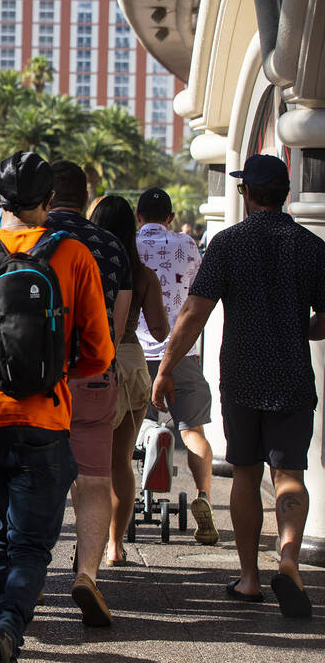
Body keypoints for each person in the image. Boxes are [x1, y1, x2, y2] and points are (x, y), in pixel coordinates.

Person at [0, 152, 113, 662]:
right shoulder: (74, 256)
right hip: (48, 417)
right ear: (49, 202)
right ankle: (7, 630)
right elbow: (99, 353)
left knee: (0, 534)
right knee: (32, 544)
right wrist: (53, 370)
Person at [154, 155, 324, 618]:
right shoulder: (311, 247)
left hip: (243, 377)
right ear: (285, 194)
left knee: (246, 475)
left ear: (247, 193)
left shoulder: (229, 244)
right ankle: (288, 557)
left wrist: (167, 367)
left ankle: (249, 579)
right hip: (292, 376)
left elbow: (194, 312)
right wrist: (301, 328)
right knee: (290, 475)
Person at [43, 160, 132, 627]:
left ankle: (32, 574)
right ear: (86, 193)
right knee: (95, 480)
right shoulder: (112, 245)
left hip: (39, 381)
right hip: (96, 375)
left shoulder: (31, 237)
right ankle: (87, 575)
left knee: (37, 476)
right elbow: (117, 324)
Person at [135, 186, 218, 545]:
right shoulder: (186, 244)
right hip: (181, 354)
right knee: (194, 431)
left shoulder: (128, 244)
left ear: (138, 217)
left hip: (135, 353)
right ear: (170, 218)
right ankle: (203, 497)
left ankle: (120, 511)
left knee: (123, 434)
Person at [89, 195, 169, 566]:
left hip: (92, 361)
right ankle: (115, 546)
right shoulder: (142, 273)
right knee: (120, 461)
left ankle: (86, 542)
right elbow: (159, 328)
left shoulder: (88, 263)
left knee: (87, 462)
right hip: (133, 360)